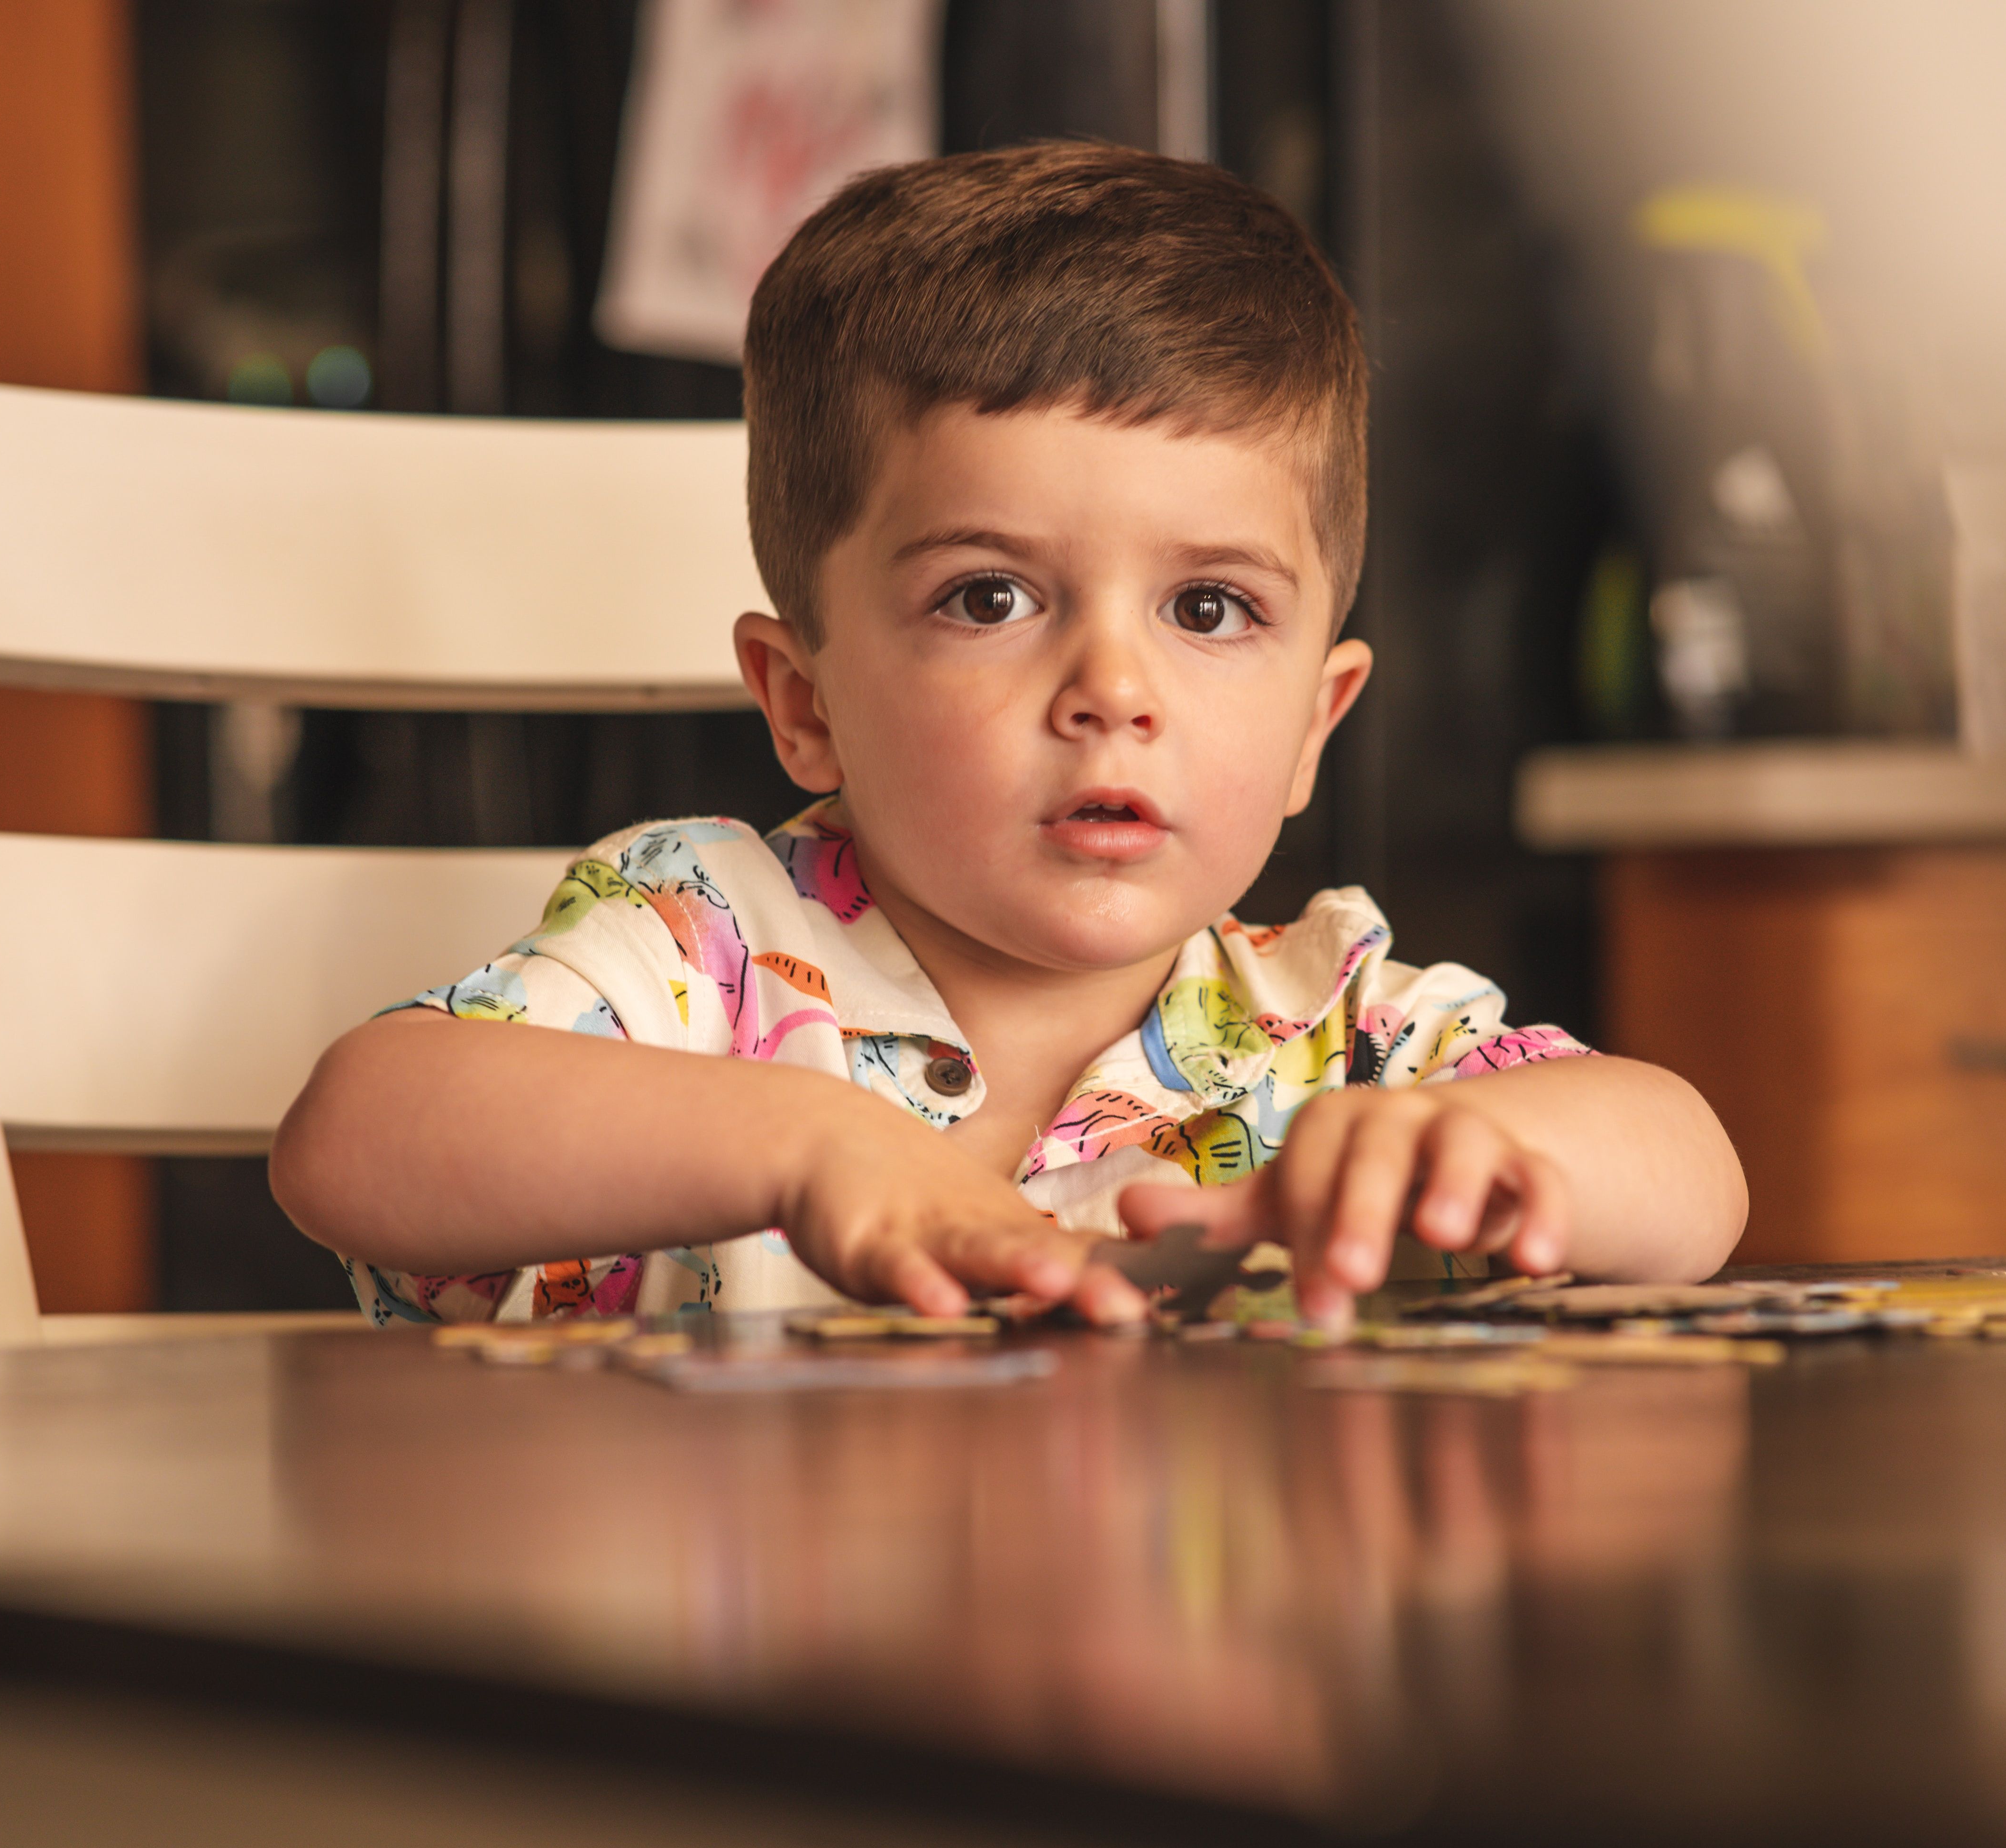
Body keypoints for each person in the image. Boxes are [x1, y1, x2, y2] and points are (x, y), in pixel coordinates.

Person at [272, 142, 1745, 1332]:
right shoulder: (702, 953)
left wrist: (1480, 1160)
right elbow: (357, 1134)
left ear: (1316, 726)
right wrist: (806, 1150)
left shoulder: (1333, 1029)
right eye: (991, 596)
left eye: (1213, 609)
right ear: (804, 701)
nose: (1113, 687)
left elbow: (1694, 1174)